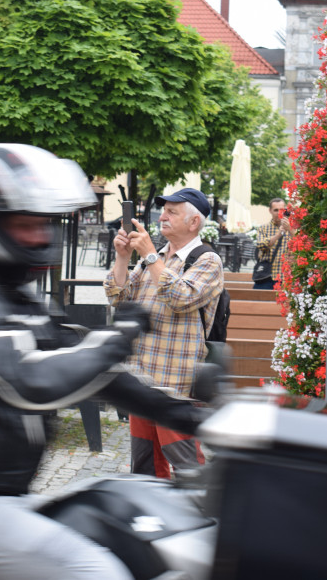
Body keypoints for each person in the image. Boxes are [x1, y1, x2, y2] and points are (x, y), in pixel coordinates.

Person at [0, 144, 207, 580]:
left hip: (6, 494)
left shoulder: (12, 293)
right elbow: (30, 380)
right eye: (25, 225)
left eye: (43, 224)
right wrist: (119, 336)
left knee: (137, 517)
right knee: (95, 570)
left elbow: (96, 372)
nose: (39, 237)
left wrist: (201, 419)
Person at [104, 187, 223, 479]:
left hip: (175, 384)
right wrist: (122, 257)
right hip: (142, 379)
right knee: (144, 467)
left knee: (187, 468)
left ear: (193, 222)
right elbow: (118, 297)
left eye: (172, 211)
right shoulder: (155, 257)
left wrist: (148, 255)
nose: (163, 216)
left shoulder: (207, 260)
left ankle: (200, 518)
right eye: (164, 210)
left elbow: (180, 298)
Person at [253, 198, 294, 290]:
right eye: (276, 210)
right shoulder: (263, 228)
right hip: (266, 276)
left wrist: (290, 229)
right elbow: (261, 245)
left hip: (286, 277)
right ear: (270, 211)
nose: (279, 213)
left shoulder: (293, 227)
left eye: (282, 210)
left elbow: (301, 245)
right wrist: (278, 235)